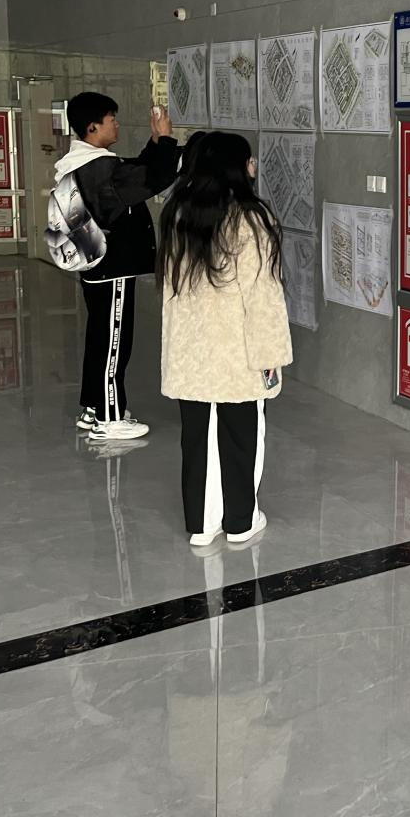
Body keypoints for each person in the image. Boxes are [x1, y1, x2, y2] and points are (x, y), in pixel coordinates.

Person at [158, 132, 291, 546]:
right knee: (241, 436)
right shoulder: (252, 221)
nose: (253, 166)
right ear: (235, 168)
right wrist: (272, 356)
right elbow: (264, 298)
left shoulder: (178, 215)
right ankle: (240, 521)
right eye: (249, 160)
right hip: (239, 352)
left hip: (191, 352)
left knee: (197, 437)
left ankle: (202, 524)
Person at [55, 93, 178, 440]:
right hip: (113, 269)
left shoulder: (84, 163)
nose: (117, 124)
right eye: (112, 119)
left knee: (100, 337)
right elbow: (153, 179)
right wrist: (166, 140)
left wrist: (155, 143)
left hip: (98, 268)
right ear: (93, 127)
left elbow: (135, 172)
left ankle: (93, 408)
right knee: (114, 343)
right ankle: (109, 419)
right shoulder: (97, 168)